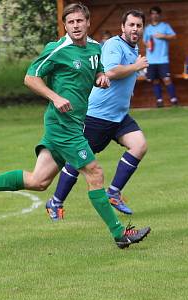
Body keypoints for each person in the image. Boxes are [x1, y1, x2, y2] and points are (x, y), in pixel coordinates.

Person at [0, 3, 150, 249]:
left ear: (88, 22)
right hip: (63, 126)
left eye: (79, 21)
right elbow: (30, 78)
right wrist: (55, 97)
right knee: (95, 173)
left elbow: (97, 72)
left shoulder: (94, 49)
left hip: (73, 123)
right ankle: (119, 234)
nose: (75, 26)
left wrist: (101, 78)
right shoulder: (58, 49)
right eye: (70, 22)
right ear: (65, 25)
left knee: (39, 181)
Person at [46, 9, 150, 218]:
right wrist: (135, 66)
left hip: (119, 116)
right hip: (98, 116)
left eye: (138, 26)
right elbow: (110, 71)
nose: (135, 29)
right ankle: (55, 202)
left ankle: (113, 192)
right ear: (123, 27)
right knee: (80, 160)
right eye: (131, 25)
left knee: (139, 146)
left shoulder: (133, 46)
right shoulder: (114, 45)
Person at [143, 6, 178, 107]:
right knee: (155, 81)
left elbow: (174, 36)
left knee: (167, 79)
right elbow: (144, 41)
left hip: (163, 59)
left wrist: (163, 36)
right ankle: (159, 101)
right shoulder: (147, 28)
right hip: (151, 59)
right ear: (150, 15)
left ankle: (174, 100)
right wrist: (147, 44)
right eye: (152, 13)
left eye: (156, 13)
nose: (154, 15)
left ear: (159, 15)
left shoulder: (165, 26)